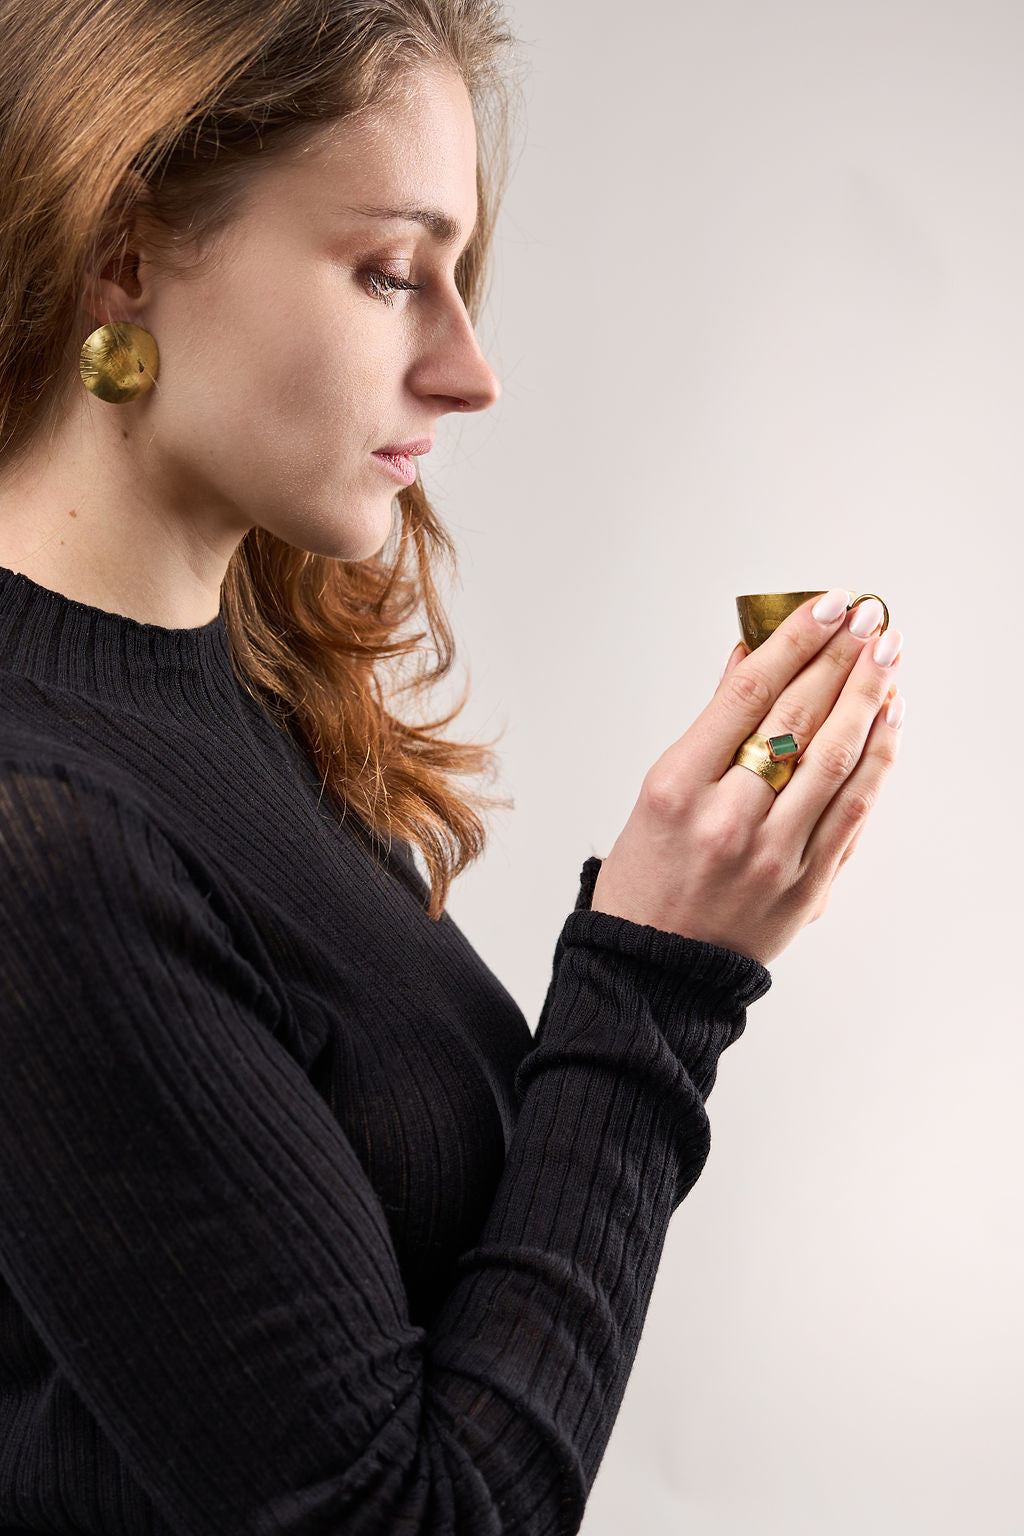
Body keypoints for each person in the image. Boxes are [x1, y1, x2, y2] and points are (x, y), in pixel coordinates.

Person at [0, 1, 905, 1531]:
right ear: (127, 253)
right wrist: (659, 974)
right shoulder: (46, 835)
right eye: (387, 273)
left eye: (459, 281)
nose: (473, 375)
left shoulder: (232, 684)